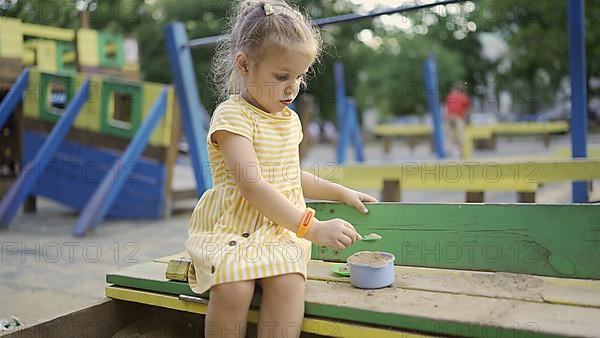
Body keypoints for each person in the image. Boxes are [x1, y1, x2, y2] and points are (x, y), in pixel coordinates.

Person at [186, 2, 378, 337]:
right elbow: (253, 185)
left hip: (278, 230)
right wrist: (312, 228)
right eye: (281, 76)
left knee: (288, 284)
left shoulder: (289, 121)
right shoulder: (233, 117)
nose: (293, 87)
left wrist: (340, 192)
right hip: (232, 227)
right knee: (234, 287)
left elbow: (289, 176)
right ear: (244, 65)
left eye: (300, 76)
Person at [444, 83, 471, 158]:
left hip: (449, 117)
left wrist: (445, 118)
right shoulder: (463, 97)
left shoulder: (449, 96)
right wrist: (468, 120)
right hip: (458, 117)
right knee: (460, 135)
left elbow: (446, 108)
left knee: (449, 136)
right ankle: (461, 153)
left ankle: (448, 152)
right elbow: (468, 110)